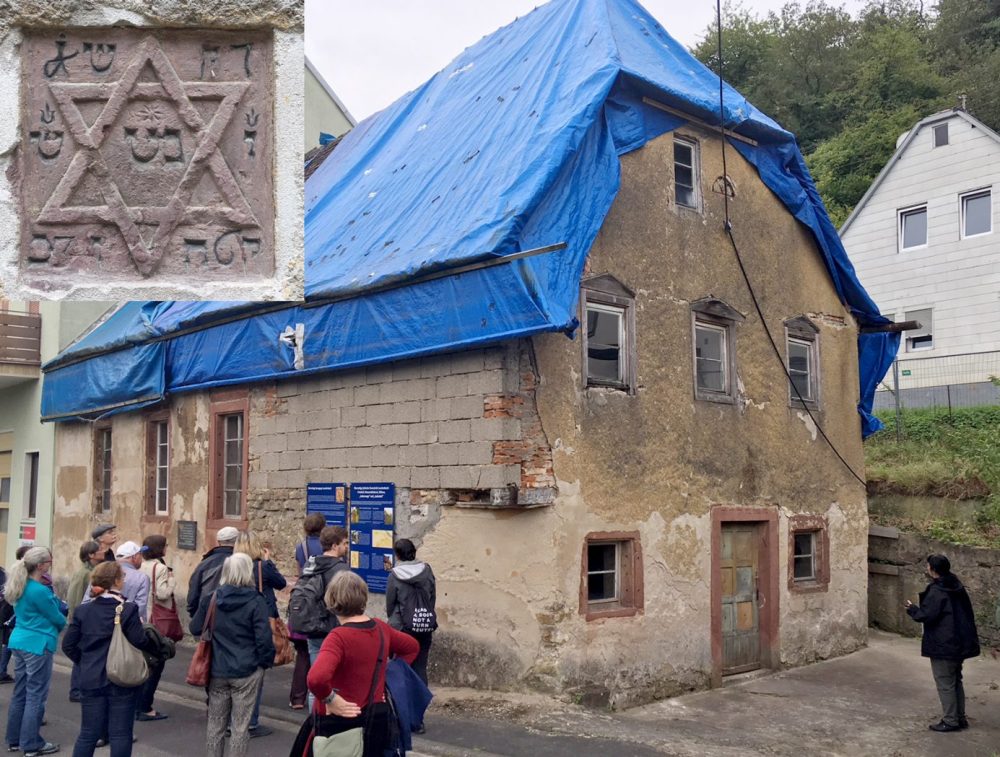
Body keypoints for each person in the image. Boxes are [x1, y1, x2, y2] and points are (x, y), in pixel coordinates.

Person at [303, 571, 419, 757]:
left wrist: (330, 699)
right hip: (376, 718)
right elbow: (411, 647)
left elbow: (316, 679)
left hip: (339, 720)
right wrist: (386, 676)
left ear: (331, 600)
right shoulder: (381, 628)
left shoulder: (337, 637)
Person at [62, 561, 154, 757]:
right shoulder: (128, 609)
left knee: (88, 733)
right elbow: (139, 641)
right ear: (117, 581)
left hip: (91, 676)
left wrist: (85, 661)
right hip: (122, 676)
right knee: (121, 733)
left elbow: (68, 645)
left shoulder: (83, 610)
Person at [189, 553, 274, 757]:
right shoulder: (256, 600)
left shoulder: (212, 598)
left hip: (217, 668)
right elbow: (264, 638)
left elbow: (195, 627)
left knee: (216, 724)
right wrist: (264, 663)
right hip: (247, 669)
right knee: (240, 727)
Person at [905, 554, 981, 732]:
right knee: (956, 680)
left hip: (944, 644)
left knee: (945, 682)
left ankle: (950, 720)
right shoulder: (957, 586)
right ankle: (959, 717)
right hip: (960, 642)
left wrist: (912, 609)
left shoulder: (937, 591)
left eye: (928, 566)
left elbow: (927, 615)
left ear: (932, 570)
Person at [3, 546, 65, 756]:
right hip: (37, 643)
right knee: (36, 696)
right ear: (41, 565)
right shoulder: (39, 590)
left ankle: (14, 739)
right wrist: (63, 619)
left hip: (19, 640)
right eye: (49, 561)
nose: (50, 564)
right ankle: (31, 743)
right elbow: (57, 617)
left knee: (20, 693)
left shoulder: (19, 584)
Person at [233, 530, 286, 739]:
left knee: (237, 673)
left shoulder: (233, 565)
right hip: (261, 621)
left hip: (238, 623)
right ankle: (251, 722)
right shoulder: (262, 566)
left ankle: (234, 720)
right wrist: (268, 561)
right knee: (256, 674)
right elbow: (281, 583)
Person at [385, 538, 437, 687]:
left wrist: (394, 621)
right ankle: (420, 704)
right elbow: (432, 597)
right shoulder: (427, 571)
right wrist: (424, 615)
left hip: (402, 627)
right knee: (421, 666)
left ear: (398, 556)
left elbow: (390, 603)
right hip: (423, 624)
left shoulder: (394, 575)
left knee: (401, 665)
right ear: (414, 552)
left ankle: (403, 704)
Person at [136, 535, 175, 722]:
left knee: (143, 664)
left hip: (141, 618)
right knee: (156, 663)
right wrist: (172, 581)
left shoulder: (140, 566)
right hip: (155, 620)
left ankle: (138, 703)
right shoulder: (160, 568)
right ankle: (145, 706)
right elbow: (162, 593)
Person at [289, 514, 325, 710]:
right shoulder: (325, 547)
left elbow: (299, 573)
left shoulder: (300, 547)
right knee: (318, 652)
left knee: (302, 654)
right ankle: (316, 695)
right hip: (318, 601)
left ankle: (297, 697)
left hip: (302, 600)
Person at [302, 526, 350, 664]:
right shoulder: (342, 569)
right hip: (333, 627)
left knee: (317, 670)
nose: (347, 547)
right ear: (335, 546)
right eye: (345, 543)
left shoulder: (310, 564)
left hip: (313, 625)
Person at [66, 541, 103, 703]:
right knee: (81, 656)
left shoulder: (93, 571)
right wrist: (76, 620)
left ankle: (82, 688)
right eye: (99, 550)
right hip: (82, 620)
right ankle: (75, 690)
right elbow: (74, 598)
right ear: (91, 555)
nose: (103, 552)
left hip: (88, 618)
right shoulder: (83, 574)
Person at [186, 527, 238, 619]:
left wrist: (194, 613)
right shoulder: (244, 563)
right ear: (237, 542)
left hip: (208, 613)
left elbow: (194, 590)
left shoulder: (205, 563)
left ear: (218, 542)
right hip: (236, 615)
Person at [0, 546, 32, 685]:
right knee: (7, 640)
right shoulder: (16, 573)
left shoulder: (5, 572)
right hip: (9, 613)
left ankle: (2, 670)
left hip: (11, 613)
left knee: (8, 641)